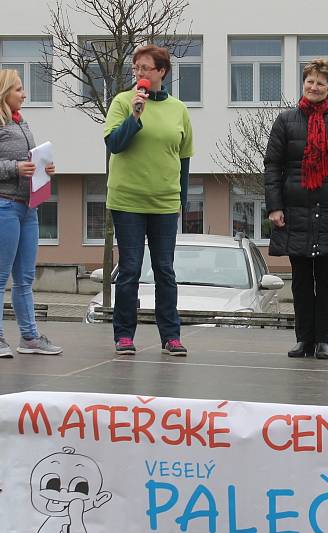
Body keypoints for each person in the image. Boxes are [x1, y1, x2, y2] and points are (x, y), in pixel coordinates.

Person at [264, 58, 328, 360]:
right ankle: (304, 339)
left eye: (321, 83)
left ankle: (324, 340)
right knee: (302, 281)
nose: (314, 87)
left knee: (326, 280)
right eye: (310, 81)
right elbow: (273, 166)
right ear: (303, 83)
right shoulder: (285, 121)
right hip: (294, 210)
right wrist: (274, 207)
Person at [103, 45, 194, 357]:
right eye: (136, 67)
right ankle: (124, 335)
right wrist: (135, 115)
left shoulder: (179, 109)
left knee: (164, 269)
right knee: (129, 268)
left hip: (165, 203)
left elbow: (184, 158)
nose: (139, 73)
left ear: (162, 72)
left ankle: (171, 336)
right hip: (127, 200)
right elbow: (115, 144)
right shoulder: (122, 102)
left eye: (146, 68)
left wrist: (181, 199)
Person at [0, 69, 62, 358]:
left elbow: (26, 163)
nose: (24, 94)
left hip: (27, 207)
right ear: (3, 92)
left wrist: (44, 169)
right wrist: (14, 167)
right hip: (0, 206)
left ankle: (29, 337)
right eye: (19, 89)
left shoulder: (21, 123)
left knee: (25, 278)